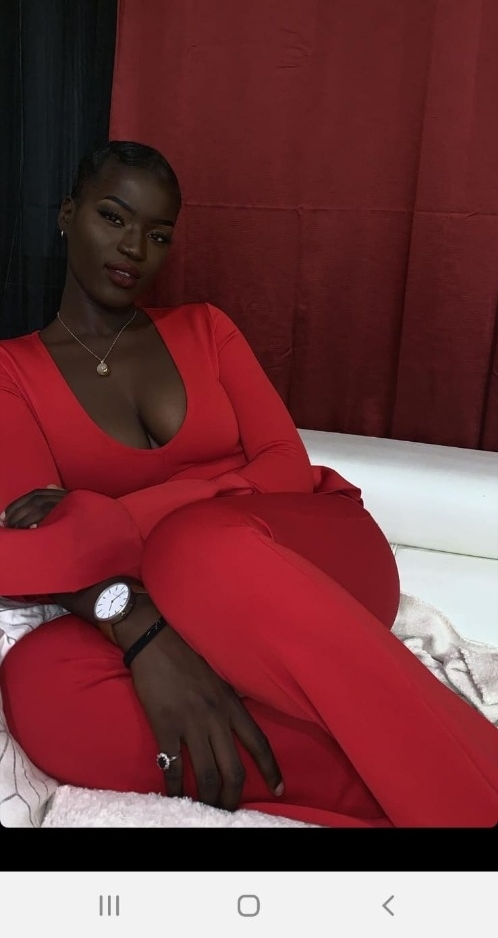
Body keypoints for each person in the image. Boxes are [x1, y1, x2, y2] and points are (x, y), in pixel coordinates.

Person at [0, 141, 496, 829]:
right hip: (169, 602)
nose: (134, 247)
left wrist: (112, 517)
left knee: (199, 549)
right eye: (113, 217)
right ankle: (397, 792)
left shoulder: (206, 329)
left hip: (307, 550)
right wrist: (142, 629)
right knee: (43, 683)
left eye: (158, 234)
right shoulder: (12, 373)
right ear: (66, 214)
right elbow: (34, 547)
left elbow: (284, 466)